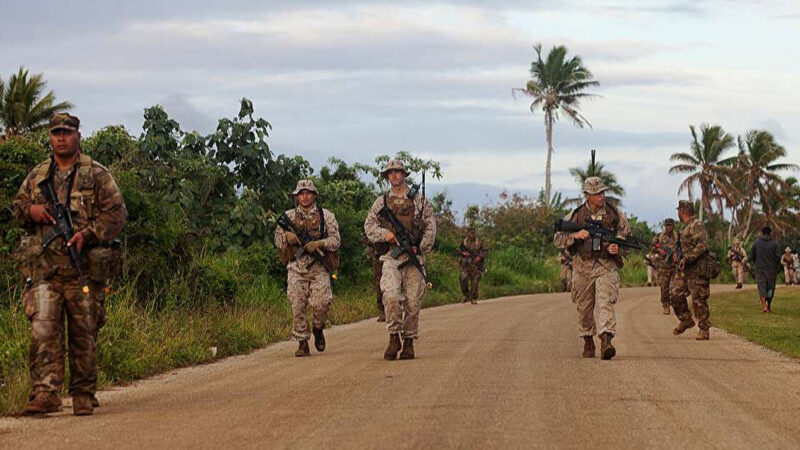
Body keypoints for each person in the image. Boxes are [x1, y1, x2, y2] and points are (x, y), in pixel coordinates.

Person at [13, 113, 127, 416]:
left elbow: (116, 214)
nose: (61, 138)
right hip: (45, 270)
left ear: (78, 136)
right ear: (50, 138)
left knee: (84, 333)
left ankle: (83, 393)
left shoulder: (97, 175)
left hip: (83, 270)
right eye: (56, 133)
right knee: (43, 331)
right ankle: (45, 393)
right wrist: (33, 211)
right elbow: (18, 208)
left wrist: (86, 235)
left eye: (67, 132)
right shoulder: (38, 176)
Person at [364, 159, 436, 361]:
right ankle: (394, 336)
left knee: (413, 303)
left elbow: (430, 225)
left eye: (398, 172)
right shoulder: (382, 202)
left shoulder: (419, 201)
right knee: (391, 296)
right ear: (387, 176)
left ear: (404, 174)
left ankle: (409, 341)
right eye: (390, 172)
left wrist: (420, 247)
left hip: (413, 258)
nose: (394, 175)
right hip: (391, 257)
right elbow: (369, 226)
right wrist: (385, 235)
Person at [554, 177, 632, 360]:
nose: (601, 196)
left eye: (602, 192)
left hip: (606, 266)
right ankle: (588, 340)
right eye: (596, 193)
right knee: (584, 308)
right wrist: (575, 235)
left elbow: (628, 239)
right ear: (587, 195)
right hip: (582, 266)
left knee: (606, 302)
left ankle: (606, 340)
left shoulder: (615, 214)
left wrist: (618, 248)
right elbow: (558, 239)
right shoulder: (576, 215)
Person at [274, 180, 341, 356]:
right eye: (301, 193)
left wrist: (319, 243)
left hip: (318, 266)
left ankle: (318, 329)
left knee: (322, 303)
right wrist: (288, 238)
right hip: (296, 266)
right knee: (297, 304)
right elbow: (277, 240)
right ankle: (302, 341)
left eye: (308, 193)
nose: (305, 196)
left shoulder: (326, 216)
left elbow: (336, 241)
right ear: (296, 196)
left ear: (314, 195)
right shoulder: (288, 217)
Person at [670, 201, 713, 340]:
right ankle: (686, 319)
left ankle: (704, 329)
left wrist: (687, 258)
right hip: (684, 269)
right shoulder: (684, 227)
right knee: (675, 293)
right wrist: (677, 254)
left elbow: (702, 246)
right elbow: (682, 246)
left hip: (697, 269)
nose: (678, 213)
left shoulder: (697, 225)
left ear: (683, 211)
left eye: (679, 210)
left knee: (698, 300)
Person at [751, 227, 782, 313]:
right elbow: (778, 257)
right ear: (770, 233)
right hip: (771, 270)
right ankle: (768, 305)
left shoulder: (756, 243)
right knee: (770, 288)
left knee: (761, 286)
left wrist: (756, 263)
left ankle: (764, 305)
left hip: (760, 269)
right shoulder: (775, 244)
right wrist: (777, 267)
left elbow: (752, 255)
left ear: (762, 233)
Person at [651, 218, 677, 314]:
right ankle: (666, 306)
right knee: (664, 288)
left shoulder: (677, 236)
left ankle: (675, 305)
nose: (668, 227)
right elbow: (652, 246)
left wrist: (676, 254)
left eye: (670, 225)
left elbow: (683, 247)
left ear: (673, 226)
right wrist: (659, 250)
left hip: (675, 266)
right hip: (664, 266)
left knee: (675, 288)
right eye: (667, 225)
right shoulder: (660, 236)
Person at [457, 227, 488, 304]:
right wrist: (463, 253)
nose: (473, 234)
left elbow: (486, 252)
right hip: (466, 265)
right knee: (463, 278)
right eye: (471, 233)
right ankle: (466, 295)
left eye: (474, 233)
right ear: (468, 233)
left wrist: (479, 257)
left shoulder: (480, 242)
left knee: (475, 279)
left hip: (476, 265)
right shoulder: (464, 242)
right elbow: (458, 250)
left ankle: (473, 297)